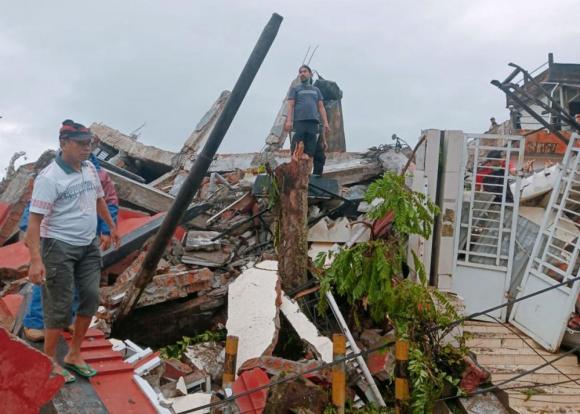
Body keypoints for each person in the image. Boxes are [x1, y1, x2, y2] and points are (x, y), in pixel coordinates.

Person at [26, 120, 119, 384]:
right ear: (64, 143)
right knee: (59, 305)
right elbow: (33, 223)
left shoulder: (90, 169)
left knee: (90, 296)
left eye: (89, 144)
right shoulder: (50, 178)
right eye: (81, 144)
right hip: (58, 246)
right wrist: (35, 260)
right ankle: (50, 361)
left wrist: (111, 227)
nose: (86, 148)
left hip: (88, 245)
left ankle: (74, 354)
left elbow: (100, 199)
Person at [284, 65, 330, 174]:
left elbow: (321, 107)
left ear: (310, 74)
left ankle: (317, 177)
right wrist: (289, 121)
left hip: (313, 123)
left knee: (316, 152)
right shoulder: (295, 89)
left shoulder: (316, 90)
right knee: (297, 151)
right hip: (299, 123)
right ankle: (296, 177)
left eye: (304, 71)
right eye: (300, 72)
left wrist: (326, 123)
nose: (302, 74)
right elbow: (290, 105)